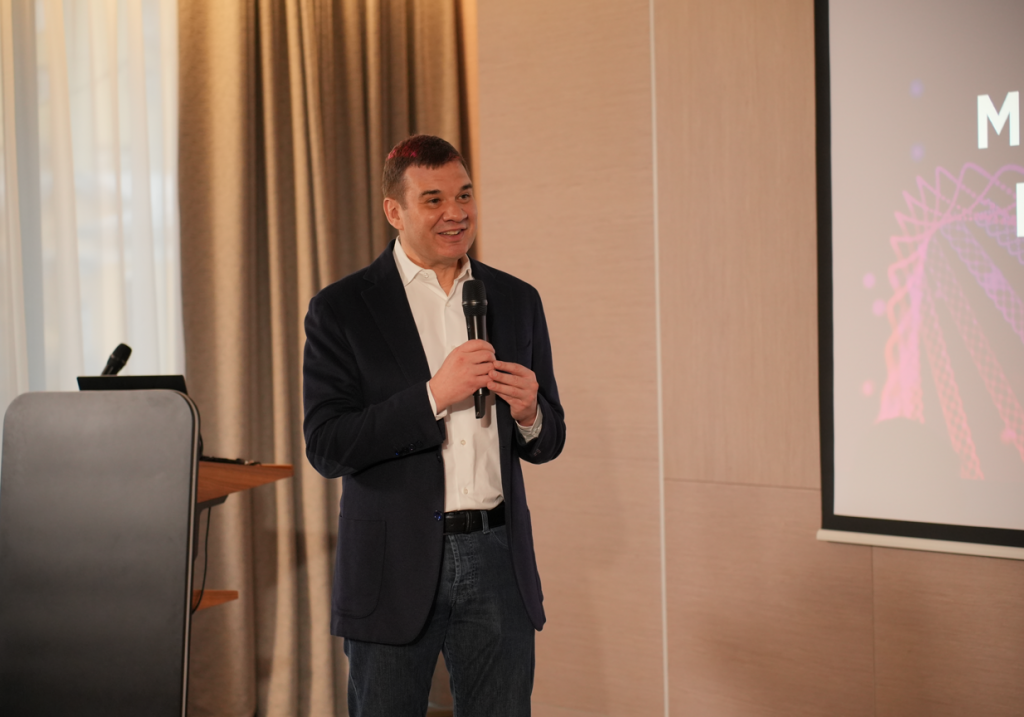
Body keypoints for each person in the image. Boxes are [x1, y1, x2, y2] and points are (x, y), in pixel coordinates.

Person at [302, 134, 565, 716]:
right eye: (434, 199)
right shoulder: (342, 309)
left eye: (464, 195)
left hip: (498, 557)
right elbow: (327, 445)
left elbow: (550, 439)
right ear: (394, 211)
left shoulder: (516, 299)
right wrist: (432, 398)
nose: (456, 212)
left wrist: (531, 414)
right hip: (392, 564)